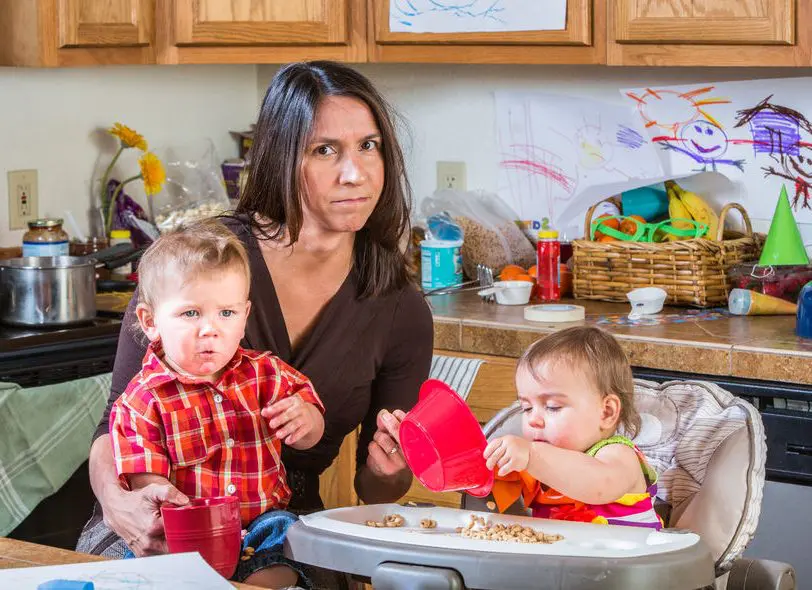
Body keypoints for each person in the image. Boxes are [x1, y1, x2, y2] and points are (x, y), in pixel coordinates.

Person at [77, 61, 434, 589]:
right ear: (282, 157)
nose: (355, 172)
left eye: (369, 146)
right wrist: (117, 504)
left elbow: (377, 487)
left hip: (283, 532)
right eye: (325, 150)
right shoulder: (197, 262)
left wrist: (391, 469)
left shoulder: (399, 307)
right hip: (154, 517)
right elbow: (116, 421)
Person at [109, 220, 324, 587]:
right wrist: (179, 518)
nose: (210, 329)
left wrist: (305, 421)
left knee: (289, 534)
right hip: (184, 534)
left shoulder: (266, 374)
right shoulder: (142, 400)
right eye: (191, 313)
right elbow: (148, 484)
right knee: (141, 561)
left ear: (244, 316)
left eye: (226, 313)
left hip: (258, 526)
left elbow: (312, 426)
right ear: (150, 322)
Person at [484, 326, 661, 529]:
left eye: (552, 407)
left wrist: (532, 456)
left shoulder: (617, 454)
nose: (534, 419)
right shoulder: (539, 464)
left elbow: (598, 486)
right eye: (526, 408)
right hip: (566, 558)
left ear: (606, 412)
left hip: (630, 558)